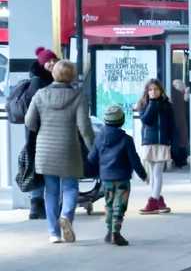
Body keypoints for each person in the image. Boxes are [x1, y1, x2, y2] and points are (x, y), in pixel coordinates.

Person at [24, 59, 94, 244]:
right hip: (69, 149)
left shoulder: (40, 94)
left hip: (45, 150)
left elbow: (29, 122)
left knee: (51, 192)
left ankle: (53, 233)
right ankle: (66, 216)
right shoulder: (78, 96)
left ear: (54, 73)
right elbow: (85, 128)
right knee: (70, 187)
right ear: (72, 76)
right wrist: (93, 149)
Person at [86, 104, 148, 246]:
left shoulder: (99, 138)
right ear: (121, 121)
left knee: (108, 204)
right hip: (122, 179)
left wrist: (89, 170)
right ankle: (116, 232)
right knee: (119, 206)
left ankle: (109, 232)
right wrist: (143, 174)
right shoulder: (126, 139)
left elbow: (92, 158)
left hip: (106, 179)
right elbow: (134, 160)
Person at [24, 47, 59, 219]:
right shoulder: (38, 82)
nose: (51, 63)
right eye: (48, 61)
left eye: (54, 60)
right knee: (40, 168)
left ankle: (38, 205)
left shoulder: (54, 80)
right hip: (38, 132)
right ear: (41, 63)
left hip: (42, 131)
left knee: (41, 167)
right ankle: (37, 204)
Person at [136, 78, 174, 214]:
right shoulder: (143, 104)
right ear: (147, 91)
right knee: (152, 174)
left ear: (160, 90)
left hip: (162, 142)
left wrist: (172, 143)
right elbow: (147, 120)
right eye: (150, 89)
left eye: (156, 89)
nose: (153, 91)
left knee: (157, 173)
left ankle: (153, 201)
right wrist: (152, 102)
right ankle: (159, 200)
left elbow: (172, 126)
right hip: (149, 142)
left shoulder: (167, 105)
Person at [170, 79, 190, 169]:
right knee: (181, 140)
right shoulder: (178, 96)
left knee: (182, 140)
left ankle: (180, 160)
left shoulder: (181, 96)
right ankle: (180, 160)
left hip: (181, 122)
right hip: (179, 122)